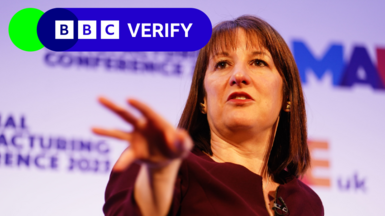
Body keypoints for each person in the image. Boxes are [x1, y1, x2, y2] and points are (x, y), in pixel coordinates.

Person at [92, 15, 324, 216]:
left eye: (258, 62)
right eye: (222, 64)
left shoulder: (307, 203)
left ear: (287, 97)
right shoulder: (169, 163)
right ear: (203, 99)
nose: (239, 75)